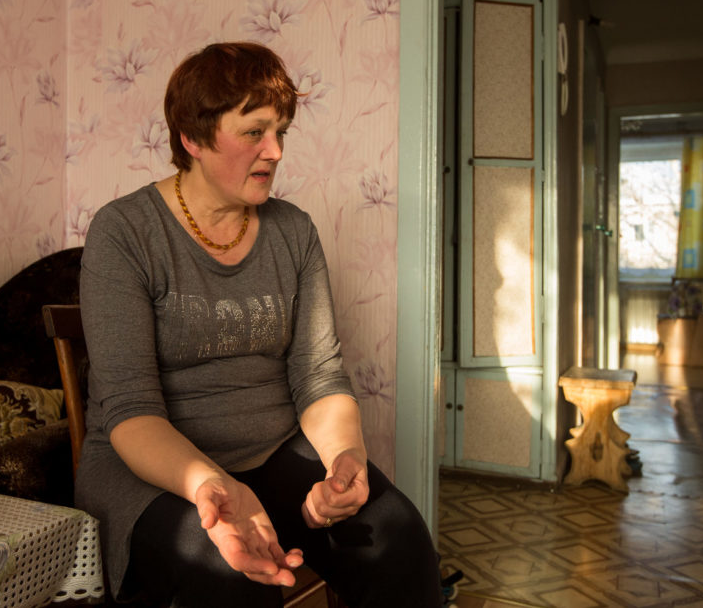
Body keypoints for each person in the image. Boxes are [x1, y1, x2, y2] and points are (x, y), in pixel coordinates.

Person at [76, 41, 443, 607]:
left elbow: (318, 375)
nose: (274, 151)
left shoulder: (293, 232)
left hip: (271, 452)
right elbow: (130, 410)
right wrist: (213, 484)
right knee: (231, 578)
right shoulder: (124, 232)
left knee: (399, 540)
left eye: (280, 132)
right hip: (153, 468)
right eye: (254, 132)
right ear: (192, 138)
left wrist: (344, 459)